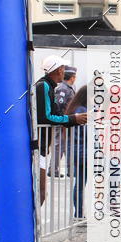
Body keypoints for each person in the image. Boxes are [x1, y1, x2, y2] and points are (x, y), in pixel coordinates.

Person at [35, 55, 87, 204]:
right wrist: (72, 119)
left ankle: (33, 226)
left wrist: (75, 118)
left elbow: (56, 114)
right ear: (59, 70)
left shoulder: (50, 86)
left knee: (41, 193)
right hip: (38, 146)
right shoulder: (44, 86)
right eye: (63, 68)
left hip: (42, 146)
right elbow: (45, 117)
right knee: (41, 193)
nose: (64, 71)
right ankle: (31, 226)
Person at [67, 85, 88, 218]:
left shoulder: (76, 108)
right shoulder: (82, 111)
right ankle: (79, 214)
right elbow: (87, 133)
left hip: (77, 151)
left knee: (79, 184)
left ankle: (79, 213)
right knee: (80, 184)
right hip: (83, 151)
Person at [53, 66, 77, 175]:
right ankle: (53, 169)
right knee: (60, 146)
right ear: (72, 77)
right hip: (63, 122)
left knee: (67, 146)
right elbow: (59, 105)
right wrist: (63, 120)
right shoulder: (63, 88)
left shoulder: (68, 88)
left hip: (68, 122)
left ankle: (69, 170)